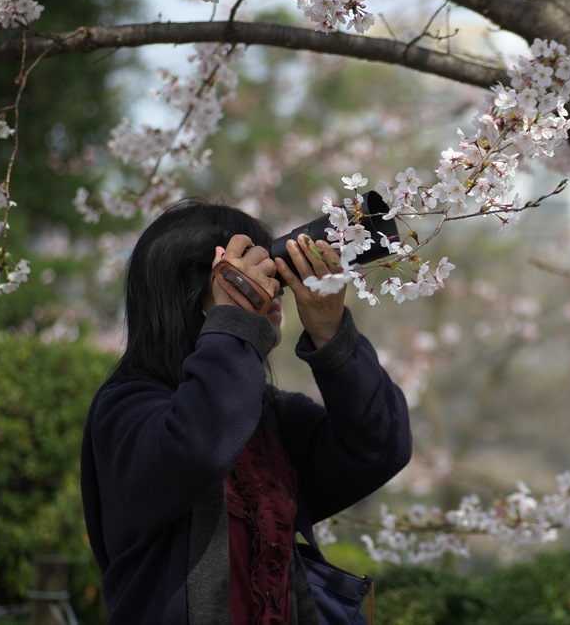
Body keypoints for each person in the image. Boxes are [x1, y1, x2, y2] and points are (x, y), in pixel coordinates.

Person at [80, 200, 412, 624]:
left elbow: (382, 447)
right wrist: (235, 321)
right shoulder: (126, 410)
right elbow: (201, 447)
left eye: (271, 274)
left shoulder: (272, 419)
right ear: (184, 292)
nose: (271, 289)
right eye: (243, 272)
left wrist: (332, 334)